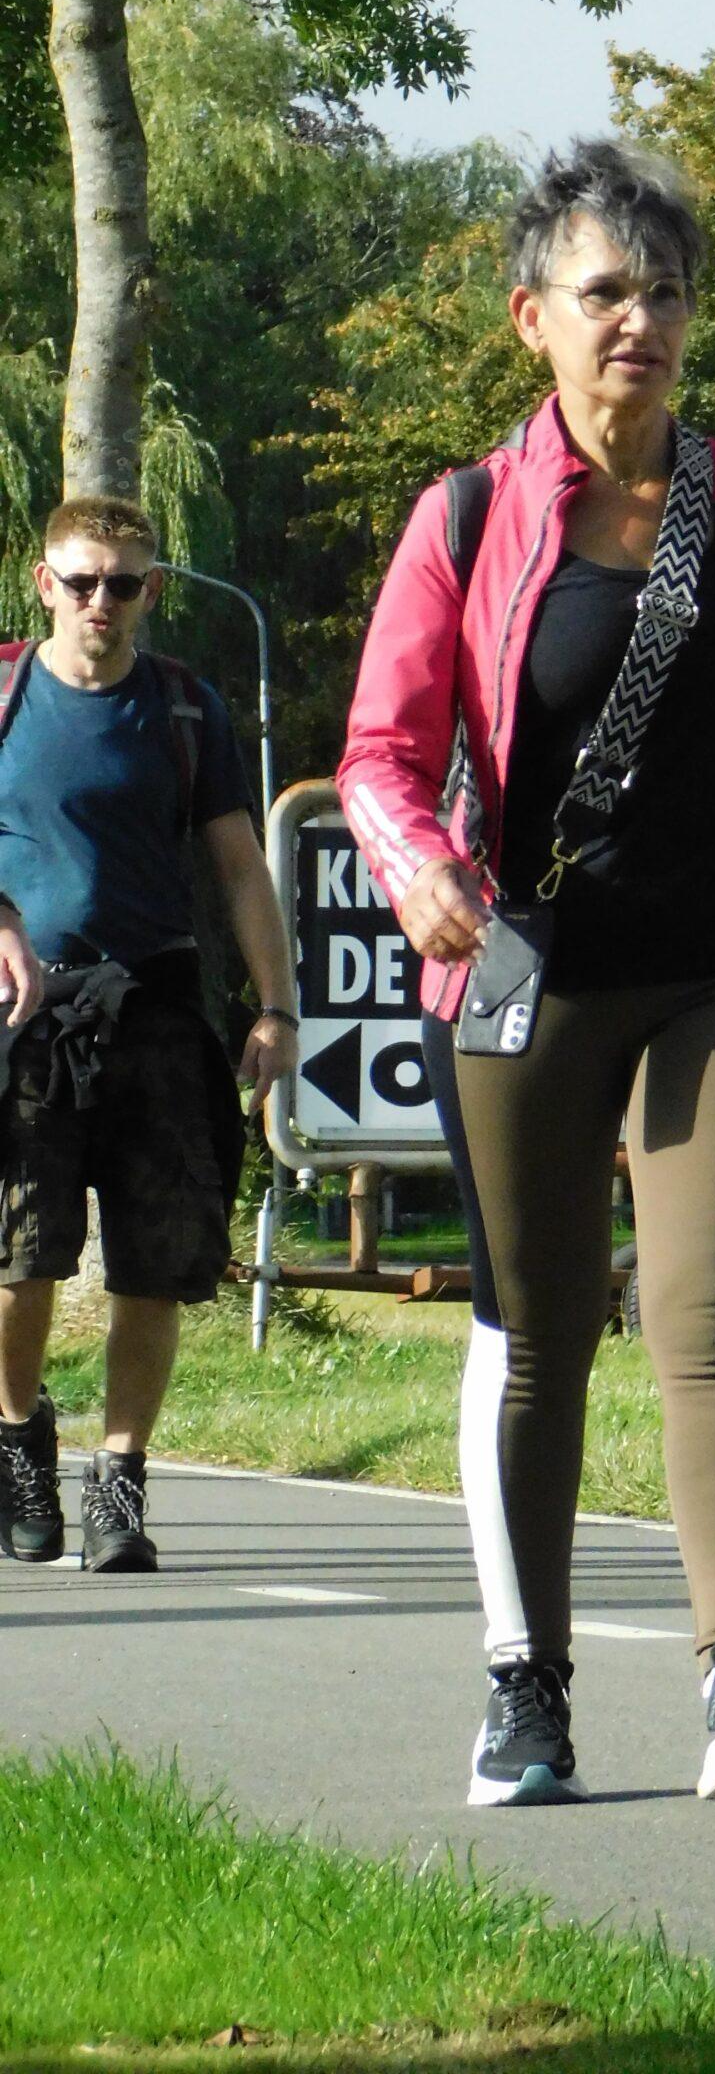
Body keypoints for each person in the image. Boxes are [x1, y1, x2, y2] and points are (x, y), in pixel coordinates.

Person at [340, 138, 715, 1809]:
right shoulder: (465, 516)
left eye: (666, 294)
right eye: (605, 293)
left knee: (709, 1316)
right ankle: (526, 1694)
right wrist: (420, 870)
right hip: (530, 982)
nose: (640, 324)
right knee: (534, 1336)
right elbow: (379, 754)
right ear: (533, 317)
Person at [0, 496, 298, 1573]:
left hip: (157, 1011)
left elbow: (240, 869)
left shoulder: (183, 707)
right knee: (20, 1263)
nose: (102, 601)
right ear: (45, 583)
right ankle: (19, 1436)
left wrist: (276, 1008)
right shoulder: (5, 694)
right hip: (26, 1019)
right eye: (82, 581)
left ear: (151, 591)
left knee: (155, 1264)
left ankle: (119, 1486)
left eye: (123, 583)